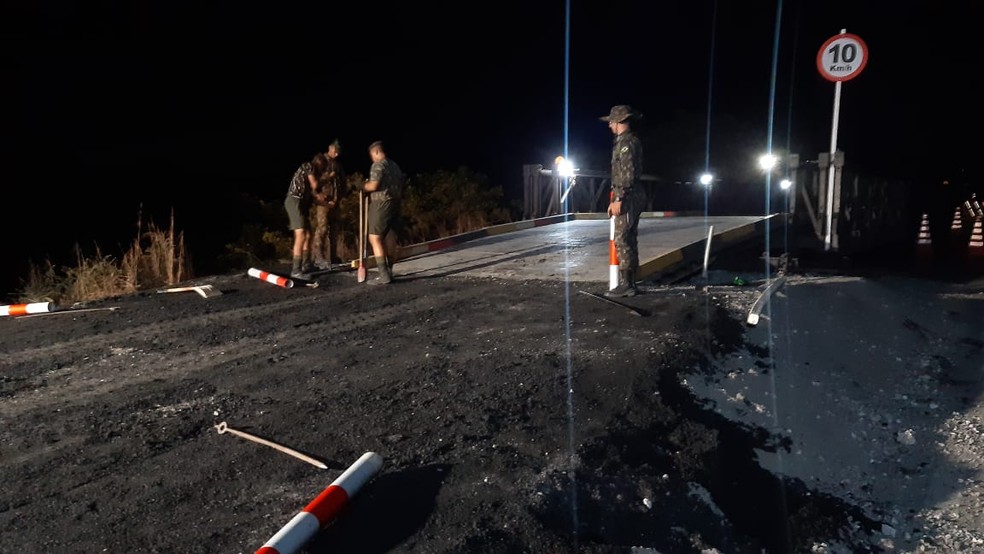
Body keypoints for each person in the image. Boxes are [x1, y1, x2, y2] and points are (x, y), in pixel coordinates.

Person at [600, 104, 644, 297]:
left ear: (619, 121)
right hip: (631, 196)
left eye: (611, 121)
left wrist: (619, 198)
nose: (609, 124)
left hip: (628, 197)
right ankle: (630, 283)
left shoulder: (626, 144)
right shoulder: (625, 142)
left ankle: (627, 285)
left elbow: (627, 173)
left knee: (622, 238)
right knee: (629, 239)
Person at [361, 140, 404, 285]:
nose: (372, 158)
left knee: (375, 238)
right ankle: (390, 269)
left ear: (377, 152)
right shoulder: (394, 165)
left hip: (382, 203)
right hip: (395, 203)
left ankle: (383, 275)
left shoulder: (378, 165)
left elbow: (374, 185)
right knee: (390, 236)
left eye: (372, 155)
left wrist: (363, 186)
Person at [284, 153, 328, 278]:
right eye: (323, 168)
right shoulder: (308, 166)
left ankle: (306, 264)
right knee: (301, 234)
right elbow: (315, 185)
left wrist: (325, 203)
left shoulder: (307, 180)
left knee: (309, 235)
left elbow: (314, 196)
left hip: (302, 203)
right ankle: (296, 270)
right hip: (294, 200)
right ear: (319, 164)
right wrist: (327, 179)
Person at [310, 139, 345, 270]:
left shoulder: (337, 165)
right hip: (323, 202)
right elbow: (313, 182)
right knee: (322, 228)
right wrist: (318, 196)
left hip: (335, 202)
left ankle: (333, 257)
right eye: (335, 151)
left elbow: (342, 182)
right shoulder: (320, 162)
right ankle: (319, 257)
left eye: (338, 152)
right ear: (330, 148)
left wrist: (339, 198)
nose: (337, 154)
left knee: (334, 229)